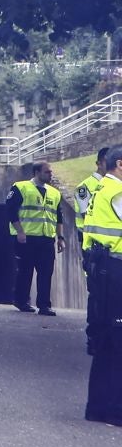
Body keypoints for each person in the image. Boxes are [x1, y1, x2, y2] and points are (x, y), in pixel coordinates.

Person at [82, 149, 122, 425]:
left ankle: (97, 407)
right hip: (116, 271)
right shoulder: (118, 193)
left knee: (108, 341)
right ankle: (114, 409)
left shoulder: (101, 189)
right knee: (118, 343)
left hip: (103, 271)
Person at [6, 160, 64, 316]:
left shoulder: (55, 193)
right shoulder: (20, 187)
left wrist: (61, 238)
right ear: (37, 173)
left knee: (46, 273)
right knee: (25, 271)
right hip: (27, 237)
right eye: (47, 172)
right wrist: (20, 232)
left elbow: (59, 217)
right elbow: (11, 211)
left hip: (46, 239)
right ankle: (21, 301)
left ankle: (44, 305)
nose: (50, 174)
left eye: (50, 171)